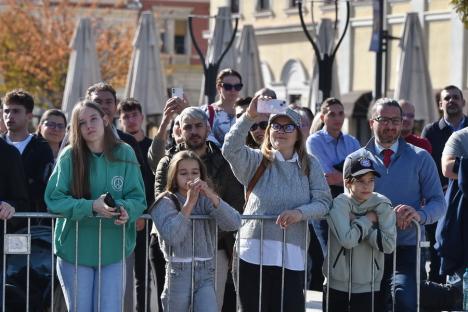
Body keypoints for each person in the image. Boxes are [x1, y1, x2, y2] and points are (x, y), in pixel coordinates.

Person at [222, 97, 332, 311]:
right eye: (276, 125)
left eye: (288, 126)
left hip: (292, 255)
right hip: (251, 252)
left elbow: (324, 202)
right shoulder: (255, 160)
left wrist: (300, 213)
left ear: (298, 133)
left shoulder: (310, 164)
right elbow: (229, 149)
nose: (281, 131)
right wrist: (249, 117)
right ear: (269, 131)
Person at [44, 101, 146, 311]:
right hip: (75, 248)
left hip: (114, 248)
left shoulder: (125, 152)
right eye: (82, 123)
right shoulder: (69, 155)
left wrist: (125, 209)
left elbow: (138, 199)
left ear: (105, 120)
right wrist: (91, 206)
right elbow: (54, 199)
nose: (89, 125)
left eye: (93, 119)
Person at [346, 98, 446, 312]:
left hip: (407, 248)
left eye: (396, 120)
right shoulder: (355, 159)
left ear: (402, 123)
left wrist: (418, 215)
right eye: (384, 120)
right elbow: (348, 207)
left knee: (404, 301)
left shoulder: (421, 158)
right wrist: (381, 215)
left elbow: (438, 202)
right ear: (372, 121)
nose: (390, 126)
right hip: (366, 248)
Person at [152, 107, 244, 311]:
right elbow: (172, 234)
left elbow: (234, 221)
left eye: (194, 172)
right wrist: (188, 205)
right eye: (183, 173)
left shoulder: (219, 164)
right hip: (178, 270)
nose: (190, 177)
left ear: (207, 128)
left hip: (208, 265)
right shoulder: (166, 194)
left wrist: (211, 196)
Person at [324, 155, 396, 312]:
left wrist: (358, 221)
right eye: (361, 181)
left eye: (371, 180)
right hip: (336, 283)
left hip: (369, 284)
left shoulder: (382, 204)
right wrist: (367, 220)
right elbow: (348, 240)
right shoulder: (339, 203)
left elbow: (389, 245)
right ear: (348, 182)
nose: (367, 186)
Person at [421, 85, 467, 284]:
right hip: (440, 199)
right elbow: (429, 165)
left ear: (463, 102)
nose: (452, 101)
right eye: (447, 98)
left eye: (456, 97)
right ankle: (440, 295)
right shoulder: (431, 130)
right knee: (439, 251)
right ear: (440, 104)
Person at [117, 98, 155, 312]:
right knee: (119, 273)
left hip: (146, 218)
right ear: (120, 120)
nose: (131, 120)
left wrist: (143, 213)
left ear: (142, 117)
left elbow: (153, 184)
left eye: (134, 115)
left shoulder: (151, 147)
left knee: (143, 274)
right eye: (126, 116)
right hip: (120, 216)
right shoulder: (117, 147)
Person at [1, 89, 54, 215]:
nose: (9, 116)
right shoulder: (1, 146)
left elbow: (45, 186)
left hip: (32, 220)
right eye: (6, 111)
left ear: (29, 116)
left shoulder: (41, 147)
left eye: (16, 111)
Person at [306, 97, 361, 198]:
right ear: (322, 118)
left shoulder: (352, 142)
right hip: (325, 199)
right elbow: (326, 178)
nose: (337, 118)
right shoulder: (314, 141)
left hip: (352, 200)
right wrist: (352, 178)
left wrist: (340, 177)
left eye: (341, 114)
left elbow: (362, 175)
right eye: (332, 114)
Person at [201, 68, 243, 147]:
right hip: (215, 158)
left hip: (242, 158)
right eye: (228, 86)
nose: (233, 90)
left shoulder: (247, 111)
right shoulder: (207, 112)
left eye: (237, 86)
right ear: (218, 87)